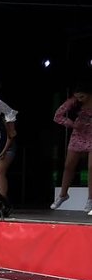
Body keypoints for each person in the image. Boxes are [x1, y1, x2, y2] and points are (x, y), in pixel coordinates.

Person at [51, 82, 92, 213]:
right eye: (77, 97)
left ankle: (90, 199)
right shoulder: (73, 102)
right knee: (69, 165)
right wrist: (72, 124)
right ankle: (63, 194)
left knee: (91, 167)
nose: (79, 99)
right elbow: (57, 116)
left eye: (82, 97)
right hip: (78, 134)